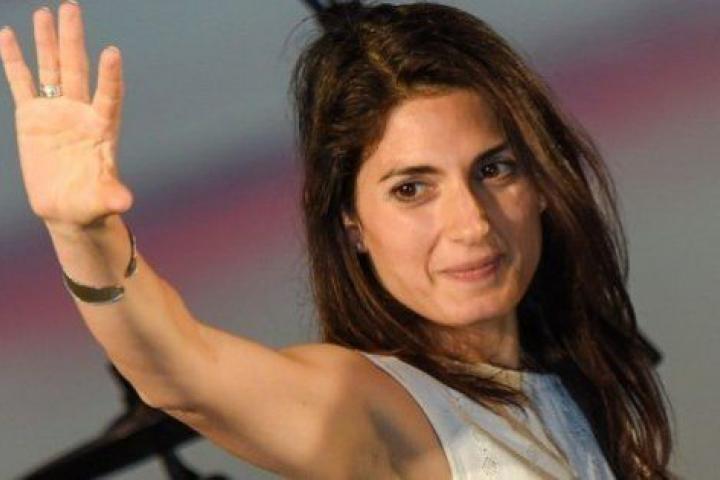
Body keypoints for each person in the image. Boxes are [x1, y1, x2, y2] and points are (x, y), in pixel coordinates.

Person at [0, 1, 675, 478]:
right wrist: (82, 231)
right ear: (352, 224)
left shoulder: (573, 389)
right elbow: (184, 371)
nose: (472, 223)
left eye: (493, 170)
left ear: (541, 182)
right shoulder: (372, 406)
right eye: (412, 189)